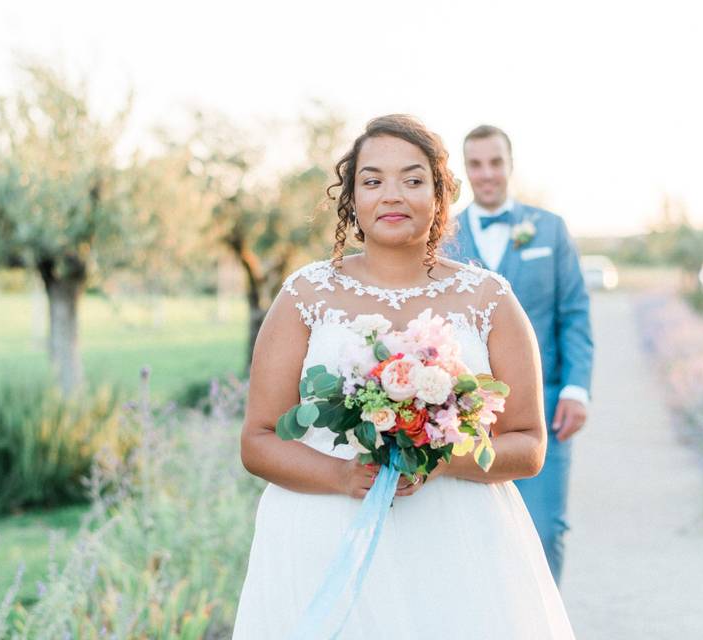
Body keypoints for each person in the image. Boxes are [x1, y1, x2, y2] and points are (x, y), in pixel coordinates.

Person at [232, 115, 574, 639]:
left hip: (457, 544)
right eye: (372, 181)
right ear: (351, 199)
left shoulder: (490, 300)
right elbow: (257, 441)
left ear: (440, 196)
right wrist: (343, 476)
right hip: (322, 539)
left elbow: (528, 446)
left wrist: (444, 461)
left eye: (413, 180)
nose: (392, 195)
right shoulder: (305, 296)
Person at [444, 124, 594, 584]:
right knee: (471, 534)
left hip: (544, 406)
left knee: (545, 530)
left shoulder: (550, 230)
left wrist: (576, 389)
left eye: (495, 163)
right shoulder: (444, 235)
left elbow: (574, 314)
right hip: (462, 412)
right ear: (464, 170)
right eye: (475, 164)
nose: (486, 174)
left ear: (510, 165)